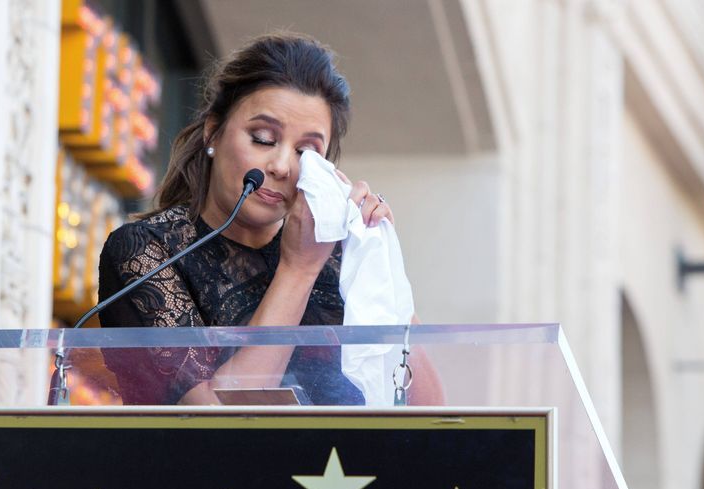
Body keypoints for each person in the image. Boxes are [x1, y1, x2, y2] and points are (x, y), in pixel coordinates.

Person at [96, 33, 443, 406]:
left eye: (306, 152)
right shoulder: (149, 252)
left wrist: (381, 263)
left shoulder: (337, 257)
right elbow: (214, 416)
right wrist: (298, 270)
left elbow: (429, 413)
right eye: (262, 139)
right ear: (213, 132)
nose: (281, 166)